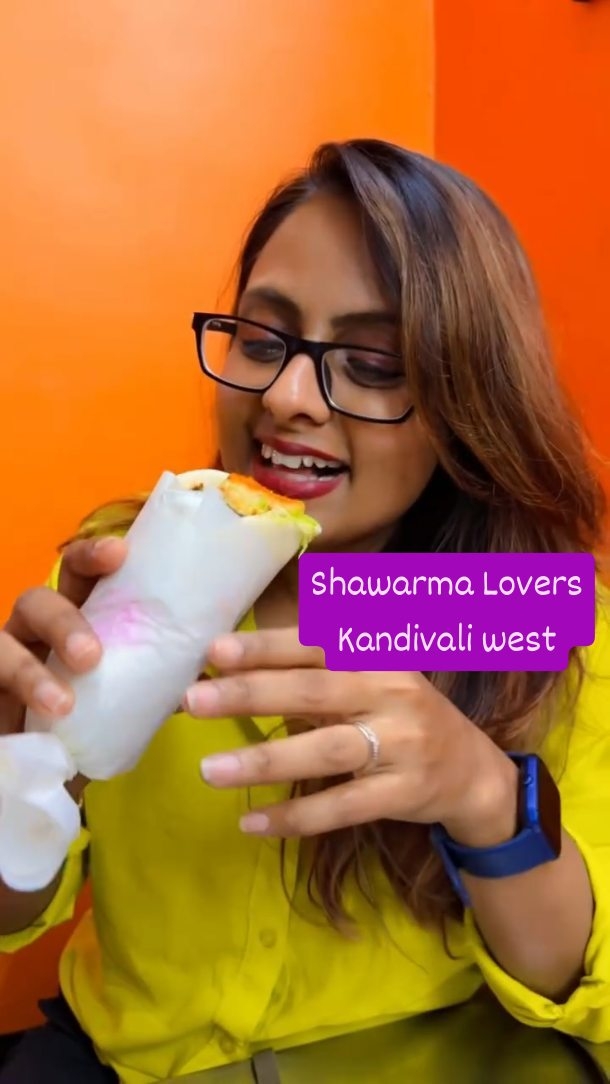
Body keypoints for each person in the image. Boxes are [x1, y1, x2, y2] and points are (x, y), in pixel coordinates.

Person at [0, 138, 609, 1084]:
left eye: (372, 363)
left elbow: (579, 982)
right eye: (261, 340)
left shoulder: (519, 609)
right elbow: (14, 906)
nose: (288, 398)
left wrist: (487, 799)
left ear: (466, 400)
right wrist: (15, 764)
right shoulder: (116, 569)